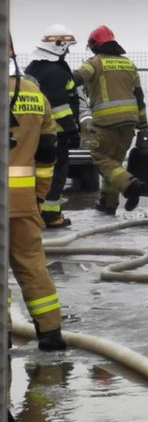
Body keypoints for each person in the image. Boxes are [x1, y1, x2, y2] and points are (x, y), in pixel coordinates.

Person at [7, 38, 66, 350]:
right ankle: (51, 333)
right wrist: (39, 198)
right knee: (33, 267)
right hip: (24, 203)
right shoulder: (34, 95)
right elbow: (47, 154)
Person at [74, 26, 148, 215]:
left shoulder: (94, 63)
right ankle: (108, 204)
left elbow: (76, 78)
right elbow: (139, 98)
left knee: (100, 159)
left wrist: (61, 82)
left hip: (106, 123)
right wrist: (144, 126)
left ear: (94, 46)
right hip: (129, 124)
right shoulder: (129, 65)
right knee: (113, 164)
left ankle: (130, 185)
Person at [25, 25, 83, 228]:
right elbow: (59, 105)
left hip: (34, 132)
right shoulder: (56, 71)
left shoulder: (33, 68)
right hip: (55, 133)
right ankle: (50, 215)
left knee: (37, 173)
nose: (68, 51)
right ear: (59, 46)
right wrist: (72, 130)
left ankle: (35, 211)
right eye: (67, 47)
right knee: (56, 173)